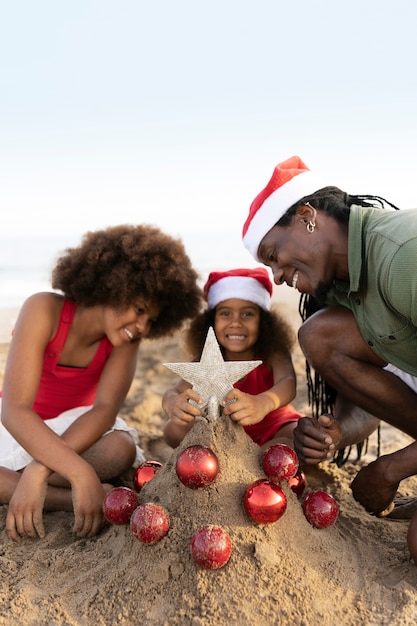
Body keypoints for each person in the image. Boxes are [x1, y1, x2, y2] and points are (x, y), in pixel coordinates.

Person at [241, 154, 417, 563]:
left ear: (307, 217)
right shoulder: (339, 283)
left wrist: (393, 468)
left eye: (272, 254)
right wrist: (335, 432)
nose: (277, 276)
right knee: (319, 334)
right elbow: (378, 389)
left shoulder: (403, 255)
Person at [0, 224, 202, 541]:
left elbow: (105, 410)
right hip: (22, 427)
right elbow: (14, 411)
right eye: (138, 310)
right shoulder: (42, 309)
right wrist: (78, 473)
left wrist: (40, 470)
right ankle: (62, 499)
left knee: (119, 449)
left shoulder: (125, 341)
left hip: (77, 428)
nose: (140, 327)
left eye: (150, 321)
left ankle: (31, 478)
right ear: (113, 285)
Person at [162, 267, 303, 452]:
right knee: (172, 430)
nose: (236, 322)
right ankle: (243, 460)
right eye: (225, 313)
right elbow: (175, 391)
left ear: (264, 322)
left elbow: (288, 382)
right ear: (211, 322)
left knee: (298, 436)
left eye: (248, 314)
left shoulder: (272, 353)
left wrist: (263, 403)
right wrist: (173, 403)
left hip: (273, 426)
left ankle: (258, 459)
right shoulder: (204, 362)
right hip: (223, 434)